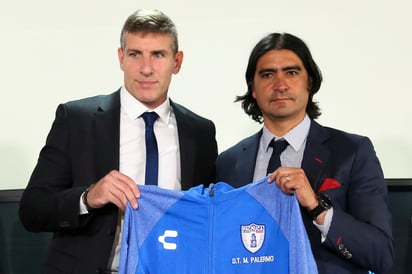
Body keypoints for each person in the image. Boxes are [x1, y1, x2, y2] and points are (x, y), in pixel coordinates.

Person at [19, 9, 217, 273]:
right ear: (121, 58)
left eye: (158, 55)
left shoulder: (200, 132)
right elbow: (33, 210)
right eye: (135, 54)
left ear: (177, 62)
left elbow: (206, 218)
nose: (146, 69)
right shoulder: (77, 119)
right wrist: (88, 197)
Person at [215, 32, 394, 274]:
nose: (280, 85)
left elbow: (381, 254)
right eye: (267, 75)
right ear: (253, 89)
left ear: (309, 82)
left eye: (291, 72)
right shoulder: (228, 162)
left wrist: (316, 207)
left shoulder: (352, 152)